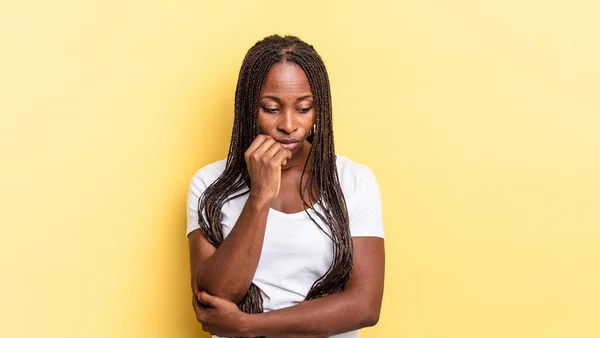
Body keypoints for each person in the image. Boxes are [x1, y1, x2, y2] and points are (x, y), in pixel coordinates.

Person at [186, 35, 385, 338]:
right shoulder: (209, 185)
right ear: (248, 108)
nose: (289, 125)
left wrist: (248, 326)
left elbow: (365, 306)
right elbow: (215, 297)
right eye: (271, 108)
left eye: (304, 108)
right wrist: (260, 197)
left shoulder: (353, 180)